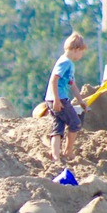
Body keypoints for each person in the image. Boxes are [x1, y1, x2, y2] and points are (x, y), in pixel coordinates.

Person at [44, 32, 87, 162]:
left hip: (52, 98)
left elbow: (72, 84)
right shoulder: (65, 62)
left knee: (58, 126)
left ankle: (55, 156)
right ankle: (68, 151)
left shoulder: (66, 63)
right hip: (59, 99)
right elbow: (53, 80)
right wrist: (57, 100)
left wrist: (80, 101)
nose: (81, 55)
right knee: (75, 123)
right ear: (76, 49)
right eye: (81, 52)